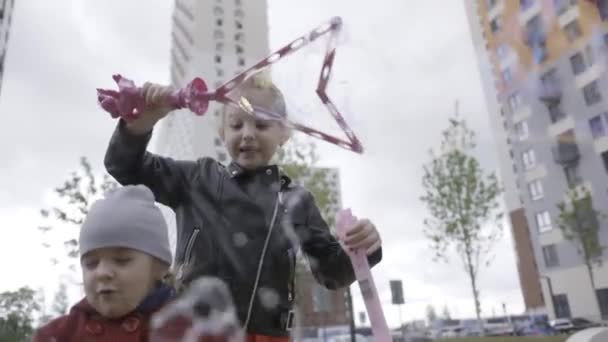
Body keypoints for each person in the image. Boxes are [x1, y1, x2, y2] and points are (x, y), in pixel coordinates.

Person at [103, 75, 383, 340]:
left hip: (268, 336)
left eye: (261, 125)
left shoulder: (297, 200)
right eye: (237, 125)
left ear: (284, 133)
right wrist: (141, 124)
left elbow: (332, 273)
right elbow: (124, 166)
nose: (247, 134)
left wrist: (361, 249)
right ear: (222, 131)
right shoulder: (197, 179)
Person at [34, 185, 175, 341]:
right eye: (91, 263)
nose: (102, 272)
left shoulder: (187, 330)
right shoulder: (58, 335)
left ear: (160, 267)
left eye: (122, 260)